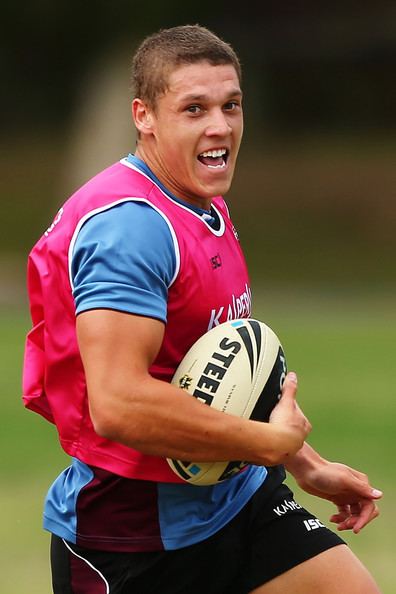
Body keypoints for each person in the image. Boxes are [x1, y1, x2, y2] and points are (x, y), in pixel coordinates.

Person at [23, 24, 382, 594]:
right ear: (144, 115)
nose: (220, 126)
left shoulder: (198, 197)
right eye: (194, 109)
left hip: (234, 498)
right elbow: (118, 403)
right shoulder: (132, 229)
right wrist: (267, 445)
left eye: (231, 105)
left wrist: (302, 462)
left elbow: (218, 378)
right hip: (133, 535)